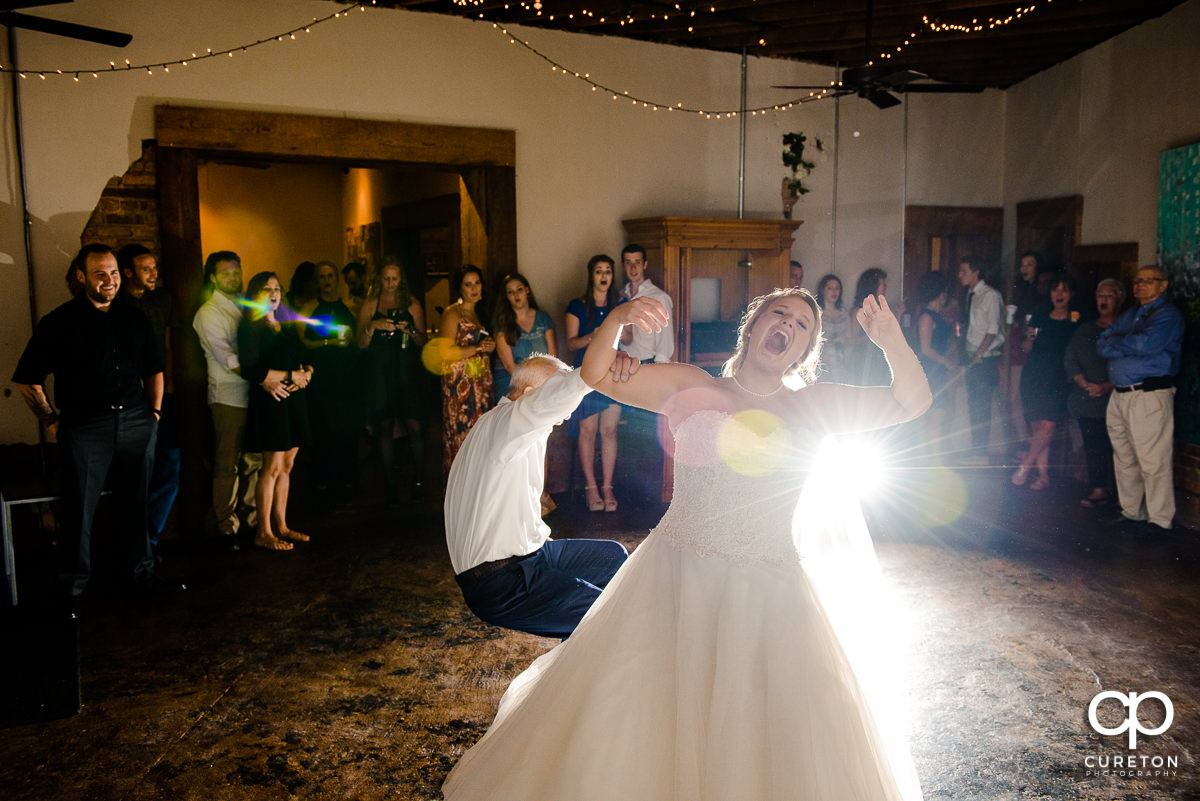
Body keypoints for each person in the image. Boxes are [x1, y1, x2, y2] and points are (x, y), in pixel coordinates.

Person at [443, 288, 931, 801]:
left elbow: (910, 402)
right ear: (753, 326)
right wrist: (617, 321)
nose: (788, 324)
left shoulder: (815, 404)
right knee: (641, 710)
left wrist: (891, 340)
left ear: (802, 351)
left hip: (771, 589)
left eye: (803, 325)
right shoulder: (690, 384)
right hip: (674, 574)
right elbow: (597, 373)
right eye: (778, 313)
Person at [13, 244, 177, 598]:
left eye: (115, 273)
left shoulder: (134, 318)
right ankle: (73, 588)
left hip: (137, 422)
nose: (110, 281)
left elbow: (154, 369)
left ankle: (140, 576)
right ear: (81, 276)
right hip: (86, 427)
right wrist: (53, 422)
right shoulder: (58, 322)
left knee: (137, 503)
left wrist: (154, 414)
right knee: (80, 510)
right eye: (100, 274)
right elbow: (28, 379)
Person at [446, 355, 638, 640]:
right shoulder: (507, 425)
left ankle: (576, 642)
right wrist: (619, 322)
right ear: (528, 396)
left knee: (612, 557)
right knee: (610, 618)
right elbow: (578, 383)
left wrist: (533, 534)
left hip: (528, 557)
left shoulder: (505, 425)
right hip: (499, 582)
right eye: (555, 391)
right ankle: (589, 653)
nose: (568, 410)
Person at [1097, 265, 1185, 533]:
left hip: (1147, 395)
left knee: (1152, 459)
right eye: (1137, 281)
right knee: (1124, 456)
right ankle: (1132, 511)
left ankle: (1159, 520)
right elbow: (1102, 342)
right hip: (1121, 395)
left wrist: (1120, 343)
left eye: (1148, 281)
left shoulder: (1168, 315)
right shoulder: (1133, 313)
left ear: (1163, 285)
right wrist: (1127, 343)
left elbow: (1147, 344)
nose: (1140, 285)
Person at [238, 272, 313, 551]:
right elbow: (250, 368)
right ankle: (264, 531)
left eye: (277, 288)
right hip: (272, 401)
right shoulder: (250, 327)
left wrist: (307, 372)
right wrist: (291, 375)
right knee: (270, 467)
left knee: (288, 466)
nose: (273, 293)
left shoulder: (285, 325)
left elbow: (303, 357)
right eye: (266, 289)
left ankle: (282, 525)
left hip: (293, 400)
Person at [192, 251, 260, 545]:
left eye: (236, 271)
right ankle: (226, 524)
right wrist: (266, 375)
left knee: (254, 459)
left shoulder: (246, 307)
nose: (233, 278)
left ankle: (253, 520)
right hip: (228, 396)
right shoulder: (208, 312)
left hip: (254, 393)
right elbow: (228, 358)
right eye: (226, 274)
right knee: (227, 462)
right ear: (213, 278)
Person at [118, 244, 179, 547]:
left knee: (170, 463)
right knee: (136, 471)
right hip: (128, 397)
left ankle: (148, 541)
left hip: (161, 392)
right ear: (127, 272)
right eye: (146, 269)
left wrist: (168, 387)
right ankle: (132, 544)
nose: (153, 273)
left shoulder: (162, 299)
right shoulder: (117, 304)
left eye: (155, 267)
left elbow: (167, 344)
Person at [358, 260, 429, 505]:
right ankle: (390, 485)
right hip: (380, 373)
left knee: (415, 426)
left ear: (401, 280)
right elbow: (360, 344)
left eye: (394, 279)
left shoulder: (413, 304)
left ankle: (419, 481)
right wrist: (372, 326)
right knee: (384, 428)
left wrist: (410, 331)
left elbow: (423, 342)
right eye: (386, 278)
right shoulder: (370, 305)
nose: (390, 284)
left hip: (406, 371)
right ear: (379, 279)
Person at [565, 254, 623, 512]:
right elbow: (570, 343)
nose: (603, 276)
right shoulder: (577, 305)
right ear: (591, 275)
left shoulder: (620, 304)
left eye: (608, 271)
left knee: (609, 432)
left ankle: (608, 486)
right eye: (599, 271)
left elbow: (629, 337)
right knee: (587, 432)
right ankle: (591, 488)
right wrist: (594, 337)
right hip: (586, 373)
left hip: (612, 373)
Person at [1011, 275, 1080, 490]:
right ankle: (1043, 476)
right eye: (1055, 289)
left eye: (1064, 290)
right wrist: (1029, 338)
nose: (1059, 294)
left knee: (1047, 426)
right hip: (1034, 376)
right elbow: (1025, 349)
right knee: (1036, 428)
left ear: (1071, 294)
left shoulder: (1074, 318)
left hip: (1058, 377)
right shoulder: (1040, 314)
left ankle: (1024, 466)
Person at [302, 260, 361, 499]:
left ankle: (348, 475)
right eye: (322, 277)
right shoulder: (309, 307)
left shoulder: (350, 305)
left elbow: (358, 337)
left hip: (345, 373)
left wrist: (348, 342)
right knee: (322, 424)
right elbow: (304, 342)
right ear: (318, 281)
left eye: (330, 276)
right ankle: (322, 476)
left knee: (347, 423)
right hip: (321, 373)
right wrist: (329, 342)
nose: (327, 281)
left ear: (337, 279)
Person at [1064, 278, 1123, 508]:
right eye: (1100, 295)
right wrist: (1083, 383)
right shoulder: (1085, 330)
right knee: (1093, 444)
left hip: (1115, 396)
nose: (1104, 300)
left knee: (1120, 448)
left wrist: (1107, 386)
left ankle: (1123, 496)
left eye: (1109, 295)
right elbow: (1070, 359)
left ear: (1119, 299)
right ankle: (1099, 488)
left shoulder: (1125, 329)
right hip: (1088, 398)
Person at [438, 265, 496, 474]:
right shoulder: (453, 313)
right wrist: (476, 348)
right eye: (468, 284)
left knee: (482, 437)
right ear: (459, 288)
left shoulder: (481, 313)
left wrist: (490, 346)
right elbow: (445, 352)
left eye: (477, 283)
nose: (474, 288)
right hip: (461, 388)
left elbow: (484, 345)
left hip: (481, 385)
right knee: (464, 437)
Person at [957, 257, 1005, 464]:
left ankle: (982, 452)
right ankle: (976, 450)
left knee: (982, 405)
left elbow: (992, 330)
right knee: (973, 403)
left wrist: (979, 353)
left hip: (984, 359)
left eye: (964, 271)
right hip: (972, 357)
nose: (960, 275)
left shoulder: (990, 296)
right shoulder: (970, 295)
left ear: (976, 272)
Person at [492, 273, 557, 397]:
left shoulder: (543, 319)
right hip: (511, 383)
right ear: (506, 296)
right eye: (510, 292)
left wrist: (542, 384)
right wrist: (530, 387)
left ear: (527, 290)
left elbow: (552, 358)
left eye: (519, 289)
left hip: (541, 380)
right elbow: (509, 365)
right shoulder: (503, 324)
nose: (516, 295)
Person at [846, 267, 893, 386]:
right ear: (873, 286)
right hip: (863, 361)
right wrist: (874, 336)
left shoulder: (879, 309)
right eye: (883, 284)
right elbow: (852, 340)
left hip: (879, 360)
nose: (885, 287)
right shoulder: (859, 310)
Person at [815, 273, 850, 381]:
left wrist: (843, 340)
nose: (834, 292)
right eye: (830, 288)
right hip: (822, 361)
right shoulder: (817, 313)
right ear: (823, 290)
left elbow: (850, 339)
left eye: (837, 288)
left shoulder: (844, 313)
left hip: (841, 359)